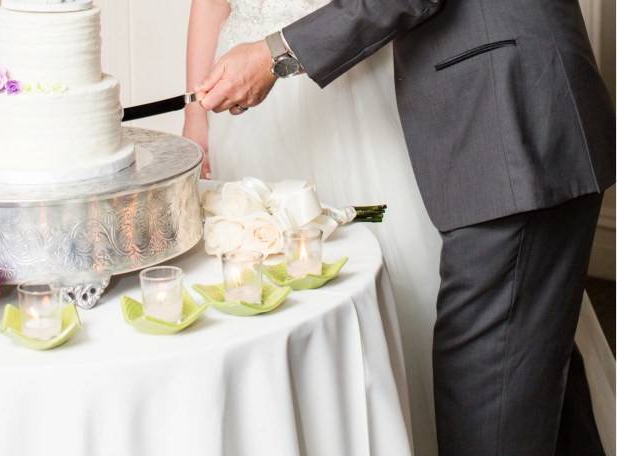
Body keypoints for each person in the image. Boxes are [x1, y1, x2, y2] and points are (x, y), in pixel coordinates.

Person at [189, 0, 616, 455]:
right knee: (532, 388)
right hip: (502, 122)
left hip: (507, 123)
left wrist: (277, 53)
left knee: (487, 416)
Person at [184, 1, 443, 453]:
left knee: (372, 235)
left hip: (343, 87)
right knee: (260, 264)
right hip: (247, 109)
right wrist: (195, 114)